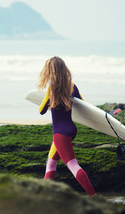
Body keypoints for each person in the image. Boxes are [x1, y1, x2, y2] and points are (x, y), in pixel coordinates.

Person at [38, 56, 96, 196]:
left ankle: (94, 197)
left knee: (73, 165)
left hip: (60, 134)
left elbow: (41, 110)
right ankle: (44, 197)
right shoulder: (72, 86)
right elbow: (82, 104)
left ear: (50, 71)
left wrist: (48, 96)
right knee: (51, 164)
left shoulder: (51, 89)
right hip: (70, 129)